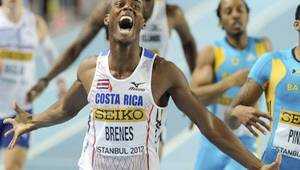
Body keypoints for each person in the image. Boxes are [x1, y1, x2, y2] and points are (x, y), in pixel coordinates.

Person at [4, 0, 281, 169]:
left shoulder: (163, 73)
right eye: (120, 5)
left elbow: (209, 124)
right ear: (107, 20)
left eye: (135, 7)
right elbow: (66, 108)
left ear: (141, 23)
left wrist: (256, 166)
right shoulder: (90, 70)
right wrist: (33, 121)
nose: (127, 8)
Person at [26, 0, 197, 102]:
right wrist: (46, 79)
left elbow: (189, 43)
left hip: (153, 98)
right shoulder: (111, 9)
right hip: (114, 93)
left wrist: (195, 83)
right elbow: (77, 46)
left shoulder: (171, 13)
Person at [191, 0, 272, 169]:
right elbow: (192, 96)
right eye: (228, 11)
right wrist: (230, 82)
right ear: (220, 21)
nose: (235, 15)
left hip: (245, 141)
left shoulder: (263, 48)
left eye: (239, 10)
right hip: (214, 138)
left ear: (247, 15)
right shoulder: (212, 52)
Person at [225, 4, 300, 170]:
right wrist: (236, 112)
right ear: (297, 25)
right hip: (275, 166)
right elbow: (229, 119)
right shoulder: (272, 63)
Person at [0, 0, 59, 169]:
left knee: (14, 166)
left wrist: (60, 83)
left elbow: (50, 54)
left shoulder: (35, 23)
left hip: (20, 110)